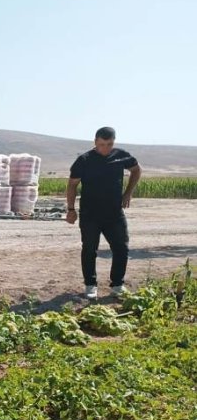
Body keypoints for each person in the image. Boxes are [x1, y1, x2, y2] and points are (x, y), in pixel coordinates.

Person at [66, 127, 141, 300]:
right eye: (102, 144)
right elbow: (72, 185)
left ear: (114, 142)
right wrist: (71, 209)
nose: (105, 148)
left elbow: (136, 170)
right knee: (90, 249)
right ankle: (90, 285)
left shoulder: (121, 155)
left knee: (121, 248)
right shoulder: (84, 160)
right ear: (95, 142)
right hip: (90, 214)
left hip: (114, 213)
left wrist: (128, 192)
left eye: (109, 144)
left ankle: (117, 285)